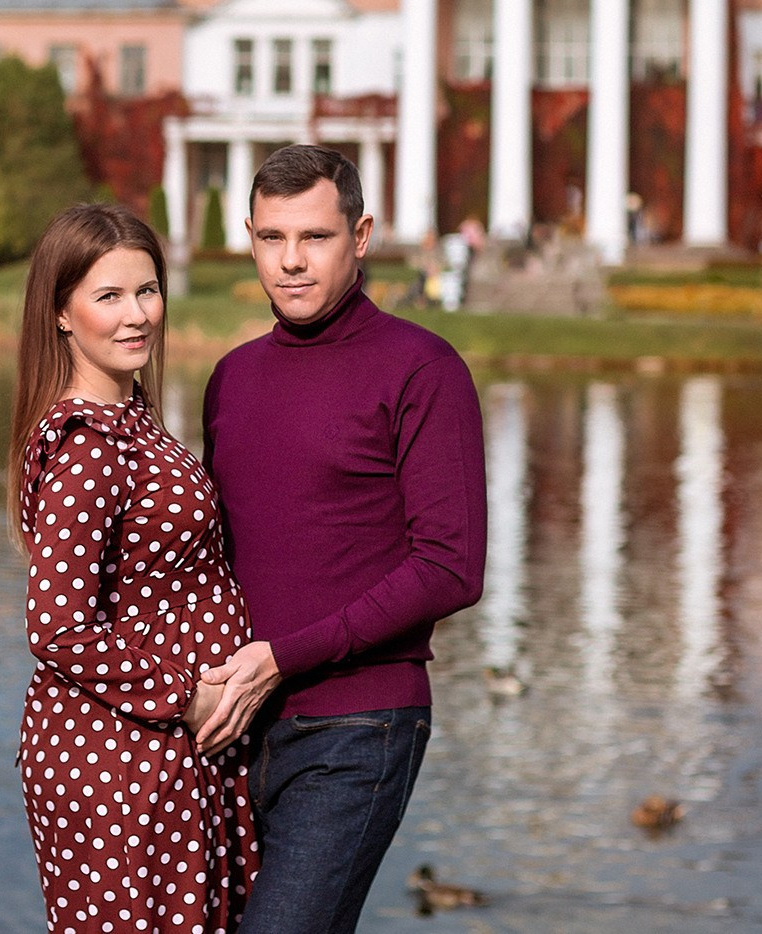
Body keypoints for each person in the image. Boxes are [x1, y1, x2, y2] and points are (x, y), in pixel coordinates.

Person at [195, 145, 487, 934]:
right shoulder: (231, 378)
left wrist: (285, 656)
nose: (290, 261)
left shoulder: (421, 369)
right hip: (236, 722)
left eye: (315, 237)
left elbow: (451, 568)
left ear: (360, 237)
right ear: (250, 238)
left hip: (359, 726)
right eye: (272, 237)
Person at [8, 203, 258, 933]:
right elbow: (56, 629)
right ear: (61, 314)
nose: (136, 315)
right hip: (121, 754)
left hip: (163, 749)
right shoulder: (86, 445)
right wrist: (188, 698)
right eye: (109, 296)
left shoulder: (132, 419)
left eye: (147, 291)